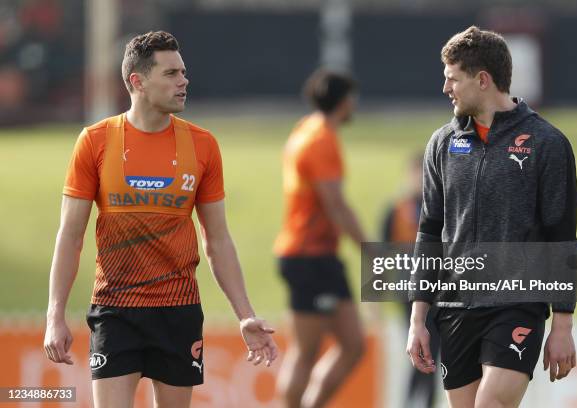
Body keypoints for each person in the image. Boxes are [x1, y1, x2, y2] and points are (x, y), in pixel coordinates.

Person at [43, 31, 278, 408]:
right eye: (171, 74)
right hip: (115, 309)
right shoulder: (95, 141)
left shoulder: (203, 145)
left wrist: (245, 315)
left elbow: (217, 240)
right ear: (138, 81)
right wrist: (55, 315)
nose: (184, 81)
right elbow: (70, 237)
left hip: (178, 311)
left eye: (183, 72)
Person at [406, 26, 577, 408]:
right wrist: (418, 318)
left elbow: (562, 237)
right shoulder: (442, 144)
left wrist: (562, 325)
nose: (445, 88)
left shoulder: (548, 144)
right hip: (454, 310)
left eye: (452, 79)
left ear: (482, 80)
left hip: (517, 305)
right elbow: (429, 231)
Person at [274, 69, 366, 408]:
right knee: (306, 352)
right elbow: (336, 205)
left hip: (319, 256)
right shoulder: (321, 140)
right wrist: (370, 252)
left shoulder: (305, 129)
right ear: (344, 102)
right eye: (352, 99)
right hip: (307, 256)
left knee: (354, 344)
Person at [381, 153, 439, 408]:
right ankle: (411, 402)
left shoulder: (441, 208)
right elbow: (381, 253)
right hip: (407, 289)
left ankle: (420, 403)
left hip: (438, 290)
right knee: (421, 350)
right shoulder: (396, 210)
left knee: (432, 351)